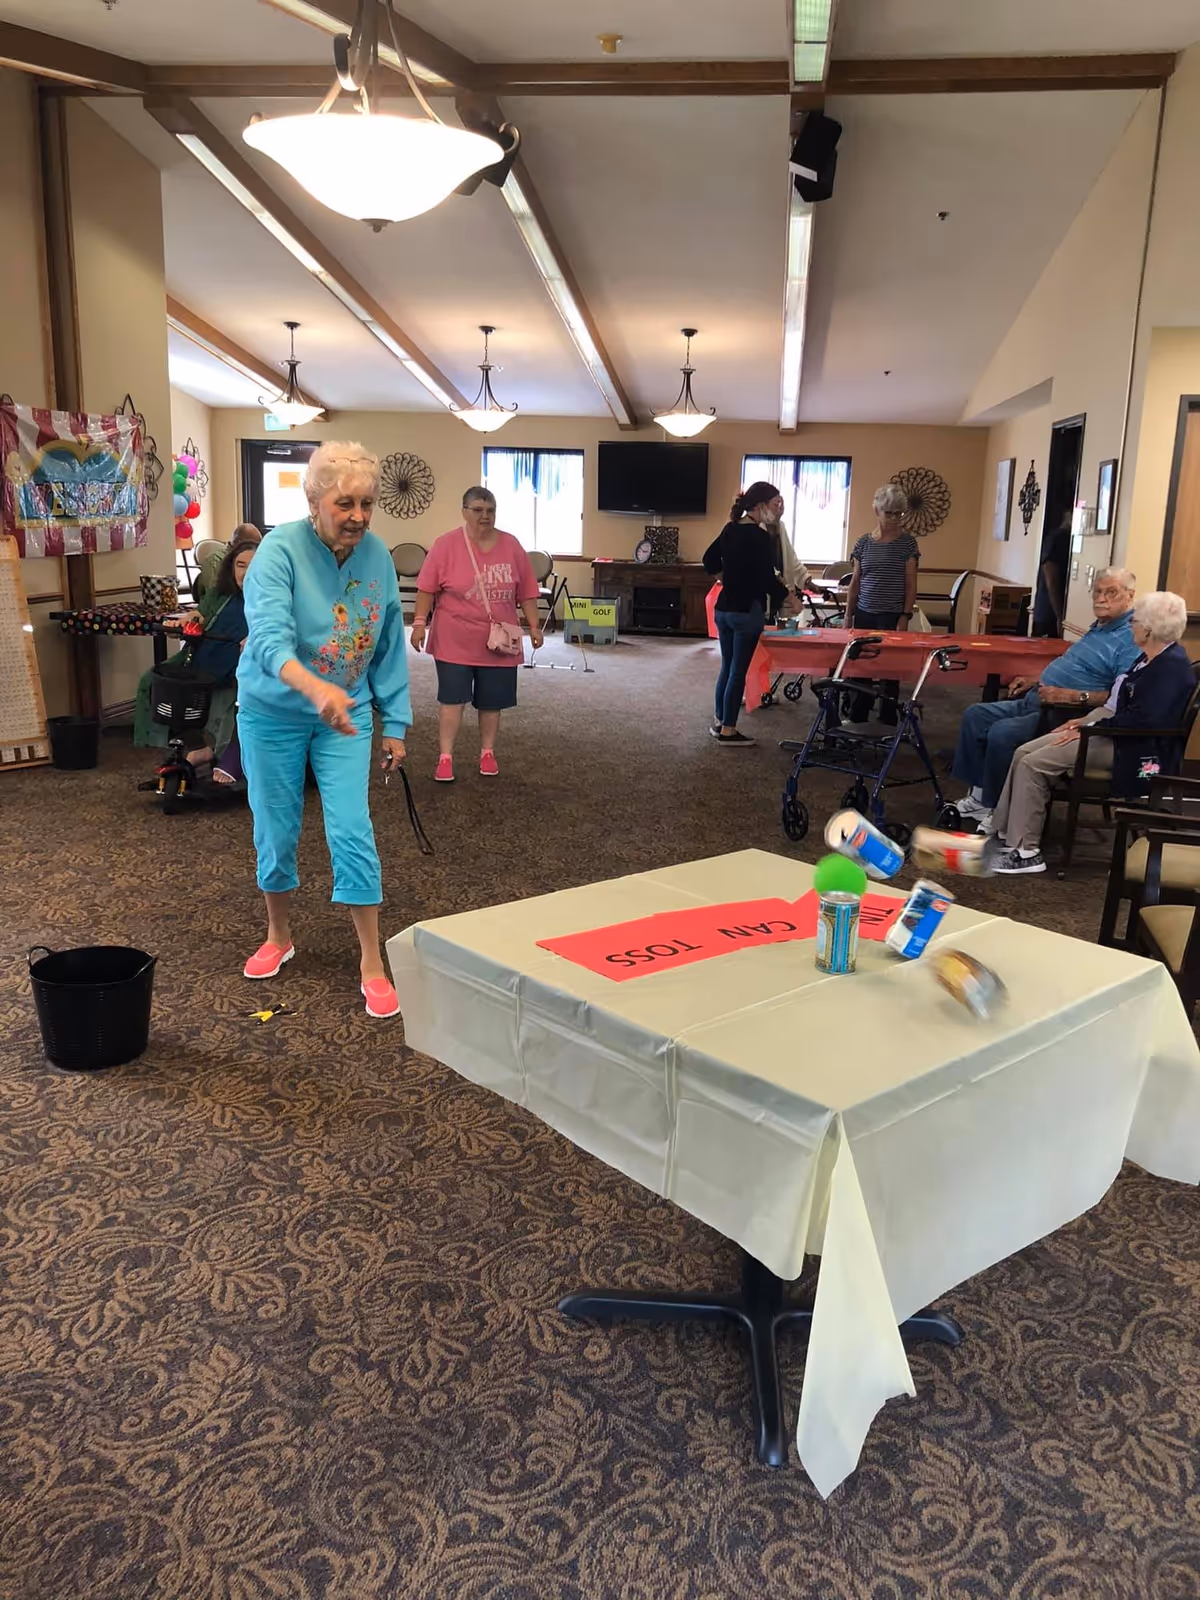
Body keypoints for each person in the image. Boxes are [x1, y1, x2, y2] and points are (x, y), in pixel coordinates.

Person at [236, 441, 410, 1019]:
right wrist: (317, 691)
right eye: (345, 504)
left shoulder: (377, 557)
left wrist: (395, 722)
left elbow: (388, 643)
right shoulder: (278, 552)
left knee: (352, 827)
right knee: (276, 826)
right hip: (273, 713)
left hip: (347, 712)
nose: (358, 516)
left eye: (367, 504)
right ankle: (279, 935)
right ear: (314, 501)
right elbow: (268, 641)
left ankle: (371, 961)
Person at [989, 591, 1193, 874]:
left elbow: (1143, 721)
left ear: (1148, 629)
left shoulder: (1168, 669)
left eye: (1134, 621)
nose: (1130, 625)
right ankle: (1007, 834)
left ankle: (1027, 852)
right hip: (1113, 730)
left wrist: (1091, 728)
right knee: (1023, 751)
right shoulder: (1150, 658)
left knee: (1033, 764)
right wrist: (1084, 721)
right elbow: (1120, 706)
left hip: (1133, 749)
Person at [954, 567, 1140, 830]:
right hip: (1038, 697)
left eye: (1111, 593)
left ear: (1130, 596)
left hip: (1063, 712)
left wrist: (1072, 696)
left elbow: (1121, 696)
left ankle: (999, 811)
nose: (1101, 599)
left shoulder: (1130, 638)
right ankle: (981, 798)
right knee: (975, 715)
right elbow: (1073, 666)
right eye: (1098, 592)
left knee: (1003, 733)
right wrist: (1037, 679)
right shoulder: (1100, 627)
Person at [410, 487, 542, 782]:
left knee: (491, 702)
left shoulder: (511, 545)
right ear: (464, 512)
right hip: (454, 639)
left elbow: (527, 591)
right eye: (478, 510)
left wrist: (534, 626)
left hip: (499, 642)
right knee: (452, 700)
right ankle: (445, 757)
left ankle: (487, 752)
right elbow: (426, 589)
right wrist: (419, 624)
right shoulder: (446, 545)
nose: (485, 516)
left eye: (490, 510)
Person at [133, 536, 256, 776]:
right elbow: (198, 615)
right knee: (154, 682)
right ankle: (196, 747)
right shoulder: (220, 594)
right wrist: (180, 623)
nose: (245, 572)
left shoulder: (270, 599)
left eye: (253, 565)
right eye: (240, 565)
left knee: (226, 701)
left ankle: (222, 754)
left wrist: (255, 639)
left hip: (240, 666)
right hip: (202, 657)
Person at [702, 482, 789, 746]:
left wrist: (726, 579)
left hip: (724, 610)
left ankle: (720, 721)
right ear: (760, 505)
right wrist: (790, 598)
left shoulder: (730, 529)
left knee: (727, 668)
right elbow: (767, 580)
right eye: (775, 503)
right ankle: (729, 730)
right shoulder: (760, 537)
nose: (779, 508)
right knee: (738, 672)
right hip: (746, 613)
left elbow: (709, 559)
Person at [842, 485, 920, 724]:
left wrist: (905, 616)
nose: (894, 518)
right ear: (877, 511)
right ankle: (858, 719)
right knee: (861, 670)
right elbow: (855, 582)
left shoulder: (907, 544)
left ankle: (887, 721)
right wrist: (848, 615)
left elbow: (911, 584)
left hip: (892, 616)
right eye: (889, 513)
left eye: (898, 513)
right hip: (864, 614)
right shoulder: (864, 543)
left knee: (890, 671)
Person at [1032, 513, 1072, 638]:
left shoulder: (1067, 539)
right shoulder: (1057, 539)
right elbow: (1052, 579)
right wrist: (1059, 615)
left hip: (1051, 613)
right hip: (1049, 614)